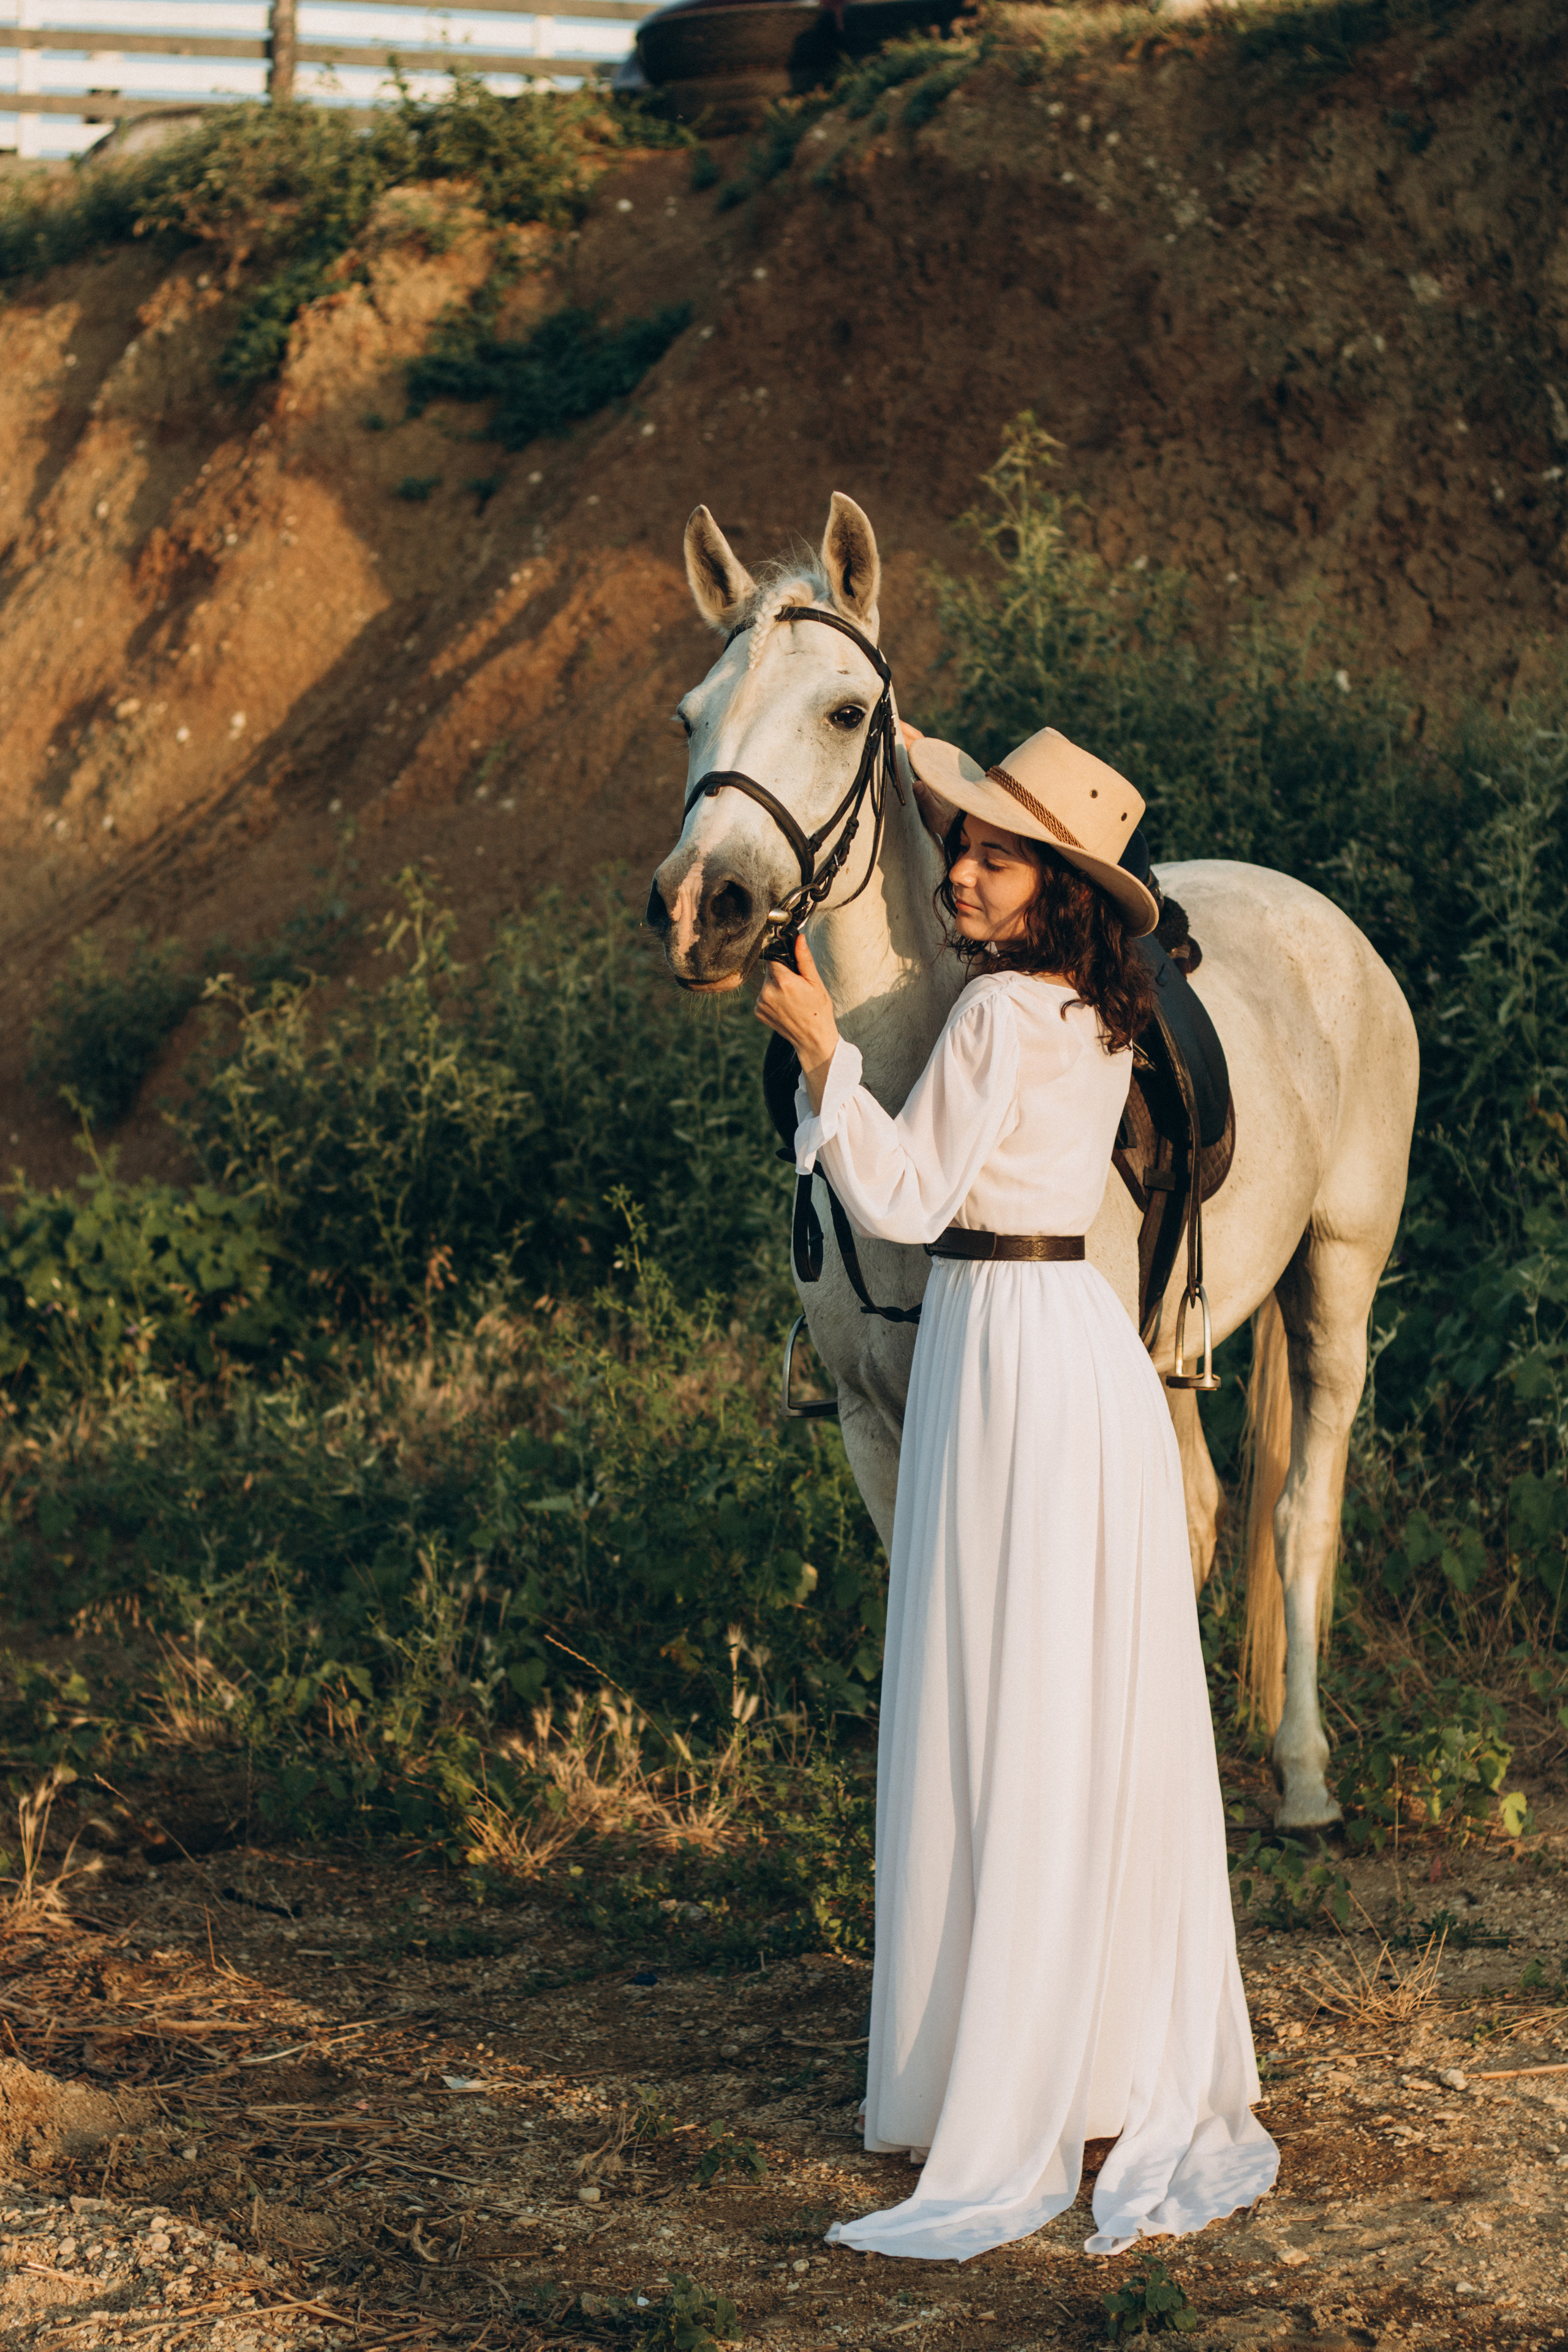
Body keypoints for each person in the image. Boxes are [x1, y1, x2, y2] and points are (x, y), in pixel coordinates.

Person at [755, 724, 1278, 2264]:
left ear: (1056, 886)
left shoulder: (990, 1010)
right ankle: (1099, 2055)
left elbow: (905, 1196)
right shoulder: (1100, 1012)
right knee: (1081, 1701)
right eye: (961, 849)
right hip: (1084, 1351)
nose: (960, 875)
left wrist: (822, 1050)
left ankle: (992, 2071)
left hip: (995, 1351)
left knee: (988, 1693)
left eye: (993, 857)